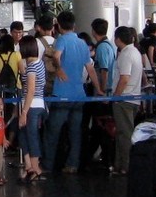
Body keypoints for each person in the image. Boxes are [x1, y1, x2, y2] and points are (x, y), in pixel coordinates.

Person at [44, 11, 101, 175]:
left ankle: (47, 165)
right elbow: (90, 69)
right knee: (75, 132)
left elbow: (56, 56)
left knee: (53, 131)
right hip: (79, 94)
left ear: (59, 26)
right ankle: (72, 164)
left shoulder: (62, 40)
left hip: (62, 93)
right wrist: (98, 88)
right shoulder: (82, 43)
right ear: (74, 25)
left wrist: (59, 69)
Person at [109, 26, 143, 176]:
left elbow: (124, 78)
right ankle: (119, 164)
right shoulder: (135, 52)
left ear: (118, 39)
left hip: (124, 99)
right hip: (134, 98)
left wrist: (116, 97)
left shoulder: (126, 54)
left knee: (125, 134)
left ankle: (126, 166)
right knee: (123, 133)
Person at [18, 35, 46, 183]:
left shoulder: (32, 66)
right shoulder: (38, 63)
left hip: (31, 105)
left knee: (31, 136)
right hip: (37, 103)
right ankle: (29, 166)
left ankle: (35, 169)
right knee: (24, 134)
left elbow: (30, 90)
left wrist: (24, 112)